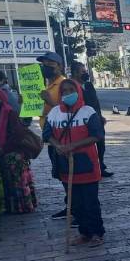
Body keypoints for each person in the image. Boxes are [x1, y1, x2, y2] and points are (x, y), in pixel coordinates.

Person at [43, 79, 105, 246]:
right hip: (65, 165)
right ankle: (84, 232)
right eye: (64, 91)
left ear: (78, 91)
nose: (68, 93)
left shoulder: (87, 111)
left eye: (71, 90)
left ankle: (96, 233)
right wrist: (58, 146)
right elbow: (47, 134)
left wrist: (73, 145)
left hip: (87, 165)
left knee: (90, 202)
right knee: (74, 202)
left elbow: (97, 135)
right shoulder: (55, 112)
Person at [0, 78, 36, 215]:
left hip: (13, 152)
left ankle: (23, 206)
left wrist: (4, 149)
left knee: (17, 181)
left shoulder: (10, 113)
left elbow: (18, 135)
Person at [37, 52, 69, 221]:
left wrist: (50, 101)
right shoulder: (44, 86)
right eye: (44, 63)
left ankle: (76, 209)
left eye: (51, 63)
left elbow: (68, 112)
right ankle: (70, 206)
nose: (46, 66)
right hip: (50, 138)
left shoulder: (64, 85)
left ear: (60, 66)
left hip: (62, 138)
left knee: (68, 173)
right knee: (61, 174)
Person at [71, 62, 113, 178]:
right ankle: (90, 168)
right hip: (84, 121)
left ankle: (101, 167)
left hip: (96, 119)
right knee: (88, 146)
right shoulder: (73, 87)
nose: (85, 74)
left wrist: (100, 116)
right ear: (75, 73)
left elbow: (95, 102)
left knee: (101, 145)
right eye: (82, 72)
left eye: (85, 71)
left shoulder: (88, 85)